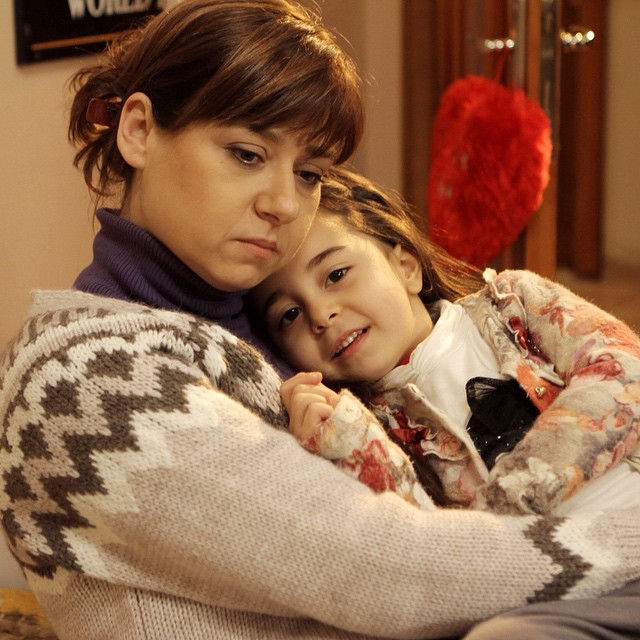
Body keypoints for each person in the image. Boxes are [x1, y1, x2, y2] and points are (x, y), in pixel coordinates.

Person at [1, 3, 640, 640]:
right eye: (246, 154)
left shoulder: (281, 342)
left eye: (308, 173)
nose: (284, 203)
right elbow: (395, 572)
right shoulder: (79, 379)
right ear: (139, 130)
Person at [252, 166, 640, 517]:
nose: (320, 315)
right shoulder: (366, 428)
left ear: (406, 268)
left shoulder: (514, 303)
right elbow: (412, 535)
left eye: (336, 274)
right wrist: (339, 443)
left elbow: (624, 369)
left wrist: (511, 500)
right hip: (548, 560)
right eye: (289, 314)